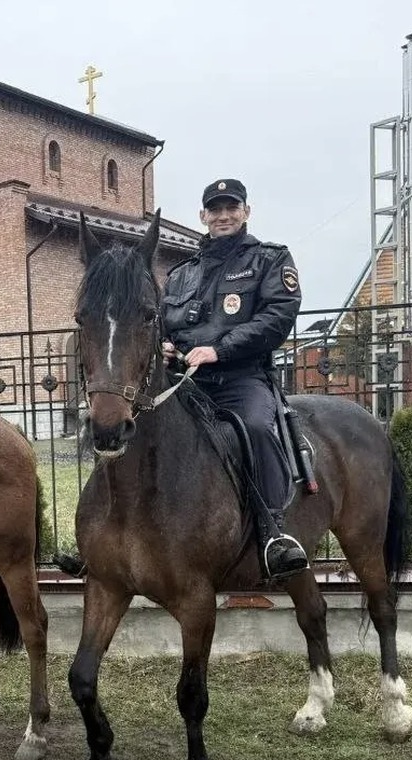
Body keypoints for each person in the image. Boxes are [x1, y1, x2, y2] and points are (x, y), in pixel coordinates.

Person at [160, 177, 308, 579]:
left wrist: (219, 349)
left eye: (232, 207)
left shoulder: (270, 259)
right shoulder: (180, 274)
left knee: (258, 429)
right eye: (215, 209)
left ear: (246, 211)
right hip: (186, 382)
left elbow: (278, 318)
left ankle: (273, 532)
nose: (223, 215)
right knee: (139, 430)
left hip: (242, 378)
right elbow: (163, 323)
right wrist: (165, 345)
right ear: (203, 215)